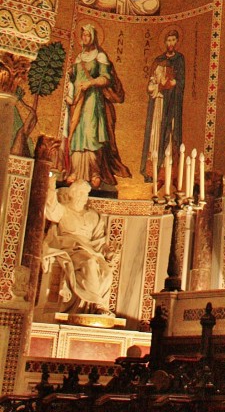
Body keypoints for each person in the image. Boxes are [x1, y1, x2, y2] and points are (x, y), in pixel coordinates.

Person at [65, 25, 131, 189]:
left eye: (88, 35)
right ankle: (74, 171)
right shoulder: (79, 58)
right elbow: (72, 78)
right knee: (76, 133)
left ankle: (95, 172)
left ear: (94, 37)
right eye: (84, 35)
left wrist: (91, 83)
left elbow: (106, 78)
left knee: (92, 133)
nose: (85, 38)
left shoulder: (100, 56)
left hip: (94, 100)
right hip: (78, 100)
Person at [43, 178, 115, 314]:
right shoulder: (63, 210)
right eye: (81, 193)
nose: (84, 197)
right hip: (70, 248)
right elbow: (50, 209)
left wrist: (108, 252)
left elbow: (99, 241)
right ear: (73, 194)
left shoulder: (94, 216)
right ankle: (96, 303)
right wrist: (51, 187)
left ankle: (101, 306)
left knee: (107, 272)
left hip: (91, 250)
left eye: (86, 194)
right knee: (89, 263)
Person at [140, 30, 185, 182]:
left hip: (171, 104)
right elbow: (151, 83)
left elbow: (179, 82)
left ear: (177, 41)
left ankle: (166, 172)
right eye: (169, 40)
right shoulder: (158, 60)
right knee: (155, 134)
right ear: (165, 42)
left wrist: (170, 84)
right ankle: (151, 170)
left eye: (173, 40)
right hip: (158, 103)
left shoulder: (179, 59)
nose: (171, 43)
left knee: (169, 134)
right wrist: (157, 86)